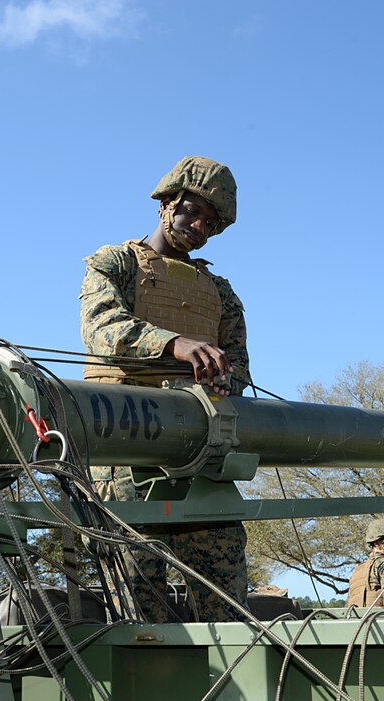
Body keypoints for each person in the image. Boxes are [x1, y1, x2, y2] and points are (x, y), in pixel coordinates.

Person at [79, 155, 250, 623]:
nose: (199, 226)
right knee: (139, 614)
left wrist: (222, 376)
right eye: (192, 212)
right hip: (126, 453)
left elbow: (239, 368)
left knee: (230, 610)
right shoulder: (116, 263)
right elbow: (102, 328)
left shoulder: (221, 292)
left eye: (212, 223)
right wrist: (174, 344)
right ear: (167, 203)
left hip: (202, 458)